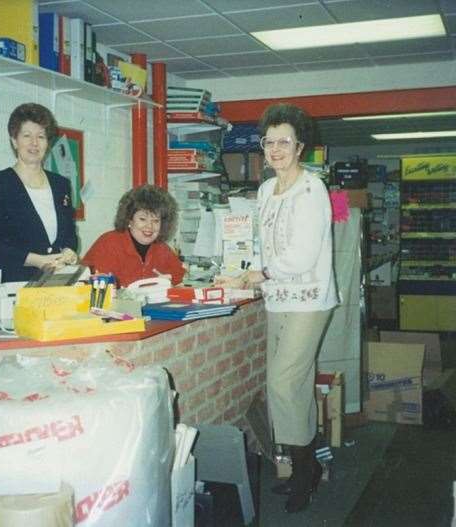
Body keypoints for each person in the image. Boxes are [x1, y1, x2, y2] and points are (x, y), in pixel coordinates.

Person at [215, 103, 338, 513]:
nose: (276, 149)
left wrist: (259, 274)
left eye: (284, 141)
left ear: (300, 146)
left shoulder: (311, 188)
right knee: (292, 385)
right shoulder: (266, 190)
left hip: (309, 298)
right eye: (269, 142)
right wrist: (241, 270)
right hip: (278, 298)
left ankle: (306, 471)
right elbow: (262, 245)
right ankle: (306, 469)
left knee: (282, 383)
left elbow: (302, 256)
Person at [0, 103, 78, 283]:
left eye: (41, 136)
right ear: (14, 140)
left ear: (47, 142)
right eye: (27, 136)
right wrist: (38, 261)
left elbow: (70, 235)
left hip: (57, 283)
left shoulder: (61, 185)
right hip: (15, 286)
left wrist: (68, 252)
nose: (34, 143)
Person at [82, 184, 185, 287]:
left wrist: (169, 283)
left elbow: (180, 277)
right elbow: (96, 286)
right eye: (142, 219)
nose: (149, 226)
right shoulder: (108, 243)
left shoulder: (161, 249)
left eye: (156, 221)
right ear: (129, 219)